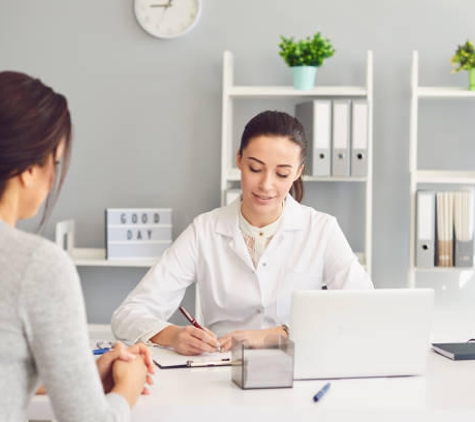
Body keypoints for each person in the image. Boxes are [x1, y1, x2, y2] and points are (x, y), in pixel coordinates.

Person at [111, 110, 373, 356]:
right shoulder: (204, 231)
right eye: (255, 169)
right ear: (239, 159)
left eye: (282, 173)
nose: (266, 185)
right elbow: (128, 315)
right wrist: (173, 335)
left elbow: (365, 308)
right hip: (220, 372)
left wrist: (277, 334)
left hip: (298, 371)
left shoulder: (321, 230)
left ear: (298, 172)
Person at [0, 70, 155, 422]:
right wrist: (128, 386)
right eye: (54, 162)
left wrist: (79, 374)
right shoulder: (35, 264)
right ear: (28, 170)